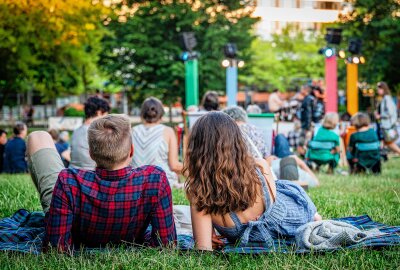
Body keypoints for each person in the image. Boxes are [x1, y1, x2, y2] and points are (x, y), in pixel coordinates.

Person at [27, 115, 176, 253]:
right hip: (131, 233)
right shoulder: (155, 179)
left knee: (38, 136)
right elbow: (166, 244)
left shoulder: (68, 180)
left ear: (90, 153)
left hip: (75, 223)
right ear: (131, 150)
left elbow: (56, 246)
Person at [184, 112, 321, 251]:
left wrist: (209, 232)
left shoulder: (199, 193)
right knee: (286, 191)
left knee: (283, 190)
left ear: (196, 149)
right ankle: (314, 216)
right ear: (236, 141)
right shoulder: (260, 166)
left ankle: (314, 216)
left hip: (278, 218)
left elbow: (203, 247)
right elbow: (274, 199)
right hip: (292, 219)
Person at [131, 97, 183, 188]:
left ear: (142, 114)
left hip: (136, 183)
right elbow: (174, 165)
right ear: (161, 114)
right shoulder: (168, 131)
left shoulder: (132, 131)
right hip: (162, 183)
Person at [69, 96, 110, 170]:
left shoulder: (76, 131)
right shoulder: (98, 132)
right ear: (99, 112)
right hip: (90, 176)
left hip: (72, 172)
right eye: (106, 116)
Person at [375, 82, 400, 155]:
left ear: (383, 89)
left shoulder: (387, 98)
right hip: (386, 124)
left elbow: (390, 112)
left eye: (379, 89)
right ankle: (383, 155)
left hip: (388, 125)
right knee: (385, 142)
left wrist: (380, 116)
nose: (377, 90)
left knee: (389, 142)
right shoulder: (384, 98)